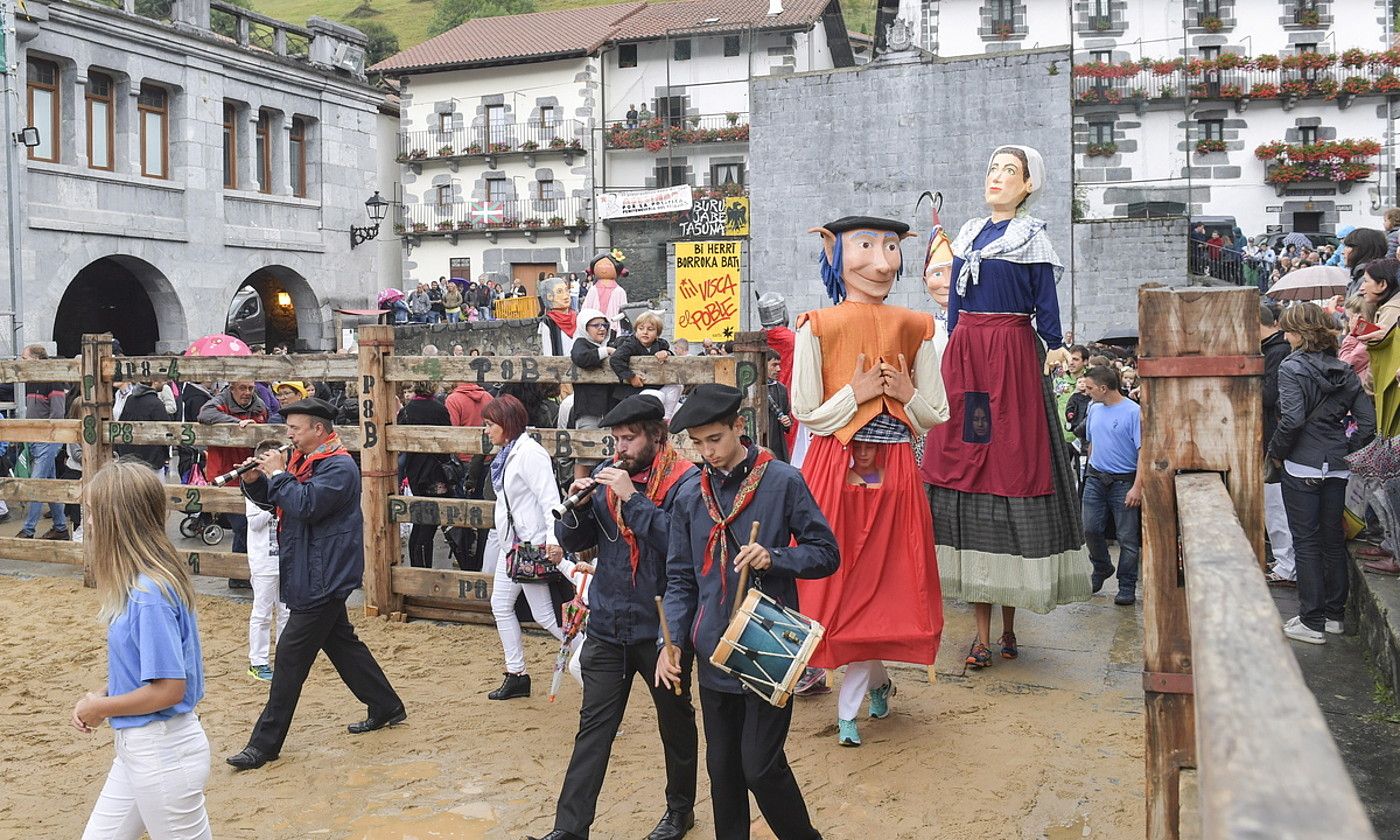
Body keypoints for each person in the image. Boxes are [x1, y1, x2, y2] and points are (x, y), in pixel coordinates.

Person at [922, 145, 1091, 671]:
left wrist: (1057, 345)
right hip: (968, 357)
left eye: (1008, 172)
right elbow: (954, 308)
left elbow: (1047, 310)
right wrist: (951, 354)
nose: (996, 177)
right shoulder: (968, 232)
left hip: (1012, 357)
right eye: (992, 168)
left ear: (1027, 186)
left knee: (1015, 459)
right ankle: (979, 633)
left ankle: (1011, 628)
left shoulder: (1033, 238)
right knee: (969, 453)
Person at [792, 215, 948, 745]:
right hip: (836, 464)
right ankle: (864, 692)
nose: (882, 262)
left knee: (891, 580)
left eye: (889, 248)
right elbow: (805, 410)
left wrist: (904, 394)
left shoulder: (915, 324)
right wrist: (855, 395)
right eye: (866, 247)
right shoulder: (817, 323)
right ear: (836, 251)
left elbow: (937, 412)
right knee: (841, 577)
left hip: (896, 465)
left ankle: (858, 699)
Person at [658, 384, 838, 840]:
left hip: (767, 644)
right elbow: (679, 579)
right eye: (697, 443)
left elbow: (826, 553)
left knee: (759, 768)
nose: (707, 452)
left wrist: (775, 557)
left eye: (714, 439)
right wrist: (673, 641)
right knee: (723, 774)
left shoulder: (782, 480)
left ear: (740, 426)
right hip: (712, 649)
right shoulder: (687, 495)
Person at [532, 394, 699, 840]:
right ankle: (570, 829)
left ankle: (680, 811)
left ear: (655, 435)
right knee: (594, 727)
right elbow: (576, 543)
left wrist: (634, 500)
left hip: (661, 628)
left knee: (675, 723)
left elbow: (684, 547)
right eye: (616, 438)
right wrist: (577, 510)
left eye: (629, 438)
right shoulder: (609, 479)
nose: (620, 447)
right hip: (608, 623)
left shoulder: (686, 481)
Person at [226, 398, 405, 771]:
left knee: (290, 658)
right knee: (343, 645)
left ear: (319, 430)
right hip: (310, 568)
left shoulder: (339, 466)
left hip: (324, 574)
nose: (288, 435)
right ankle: (386, 704)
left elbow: (306, 504)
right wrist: (255, 481)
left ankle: (264, 745)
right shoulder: (303, 460)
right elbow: (282, 502)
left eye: (295, 429)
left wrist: (276, 476)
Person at [74, 460, 210, 839]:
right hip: (142, 747)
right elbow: (142, 668)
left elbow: (169, 688)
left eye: (92, 514)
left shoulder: (147, 594)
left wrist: (99, 707)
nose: (89, 523)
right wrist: (105, 694)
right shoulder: (142, 583)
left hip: (161, 750)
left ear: (116, 519)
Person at [1269, 303, 1376, 644]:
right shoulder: (1344, 369)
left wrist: (1275, 454)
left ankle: (1311, 621)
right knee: (1332, 540)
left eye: (1288, 331)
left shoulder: (1291, 367)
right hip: (1337, 464)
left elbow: (1292, 419)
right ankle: (1334, 616)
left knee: (1306, 541)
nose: (1284, 336)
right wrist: (1348, 451)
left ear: (1300, 334)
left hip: (1302, 463)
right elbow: (1367, 423)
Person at [484, 394, 567, 700]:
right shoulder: (510, 453)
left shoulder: (530, 454)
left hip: (530, 547)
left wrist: (552, 541)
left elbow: (550, 500)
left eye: (491, 424)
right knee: (502, 606)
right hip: (515, 546)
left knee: (544, 615)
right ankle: (516, 673)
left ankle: (591, 647)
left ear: (506, 424)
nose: (487, 430)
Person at [1079, 366, 1143, 606]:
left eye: (1091, 387)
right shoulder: (1094, 409)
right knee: (1090, 528)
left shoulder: (1133, 412)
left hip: (1123, 481)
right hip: (1096, 477)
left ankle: (1126, 584)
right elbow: (1093, 441)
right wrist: (1089, 472)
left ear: (1104, 388)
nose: (1087, 391)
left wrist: (1137, 487)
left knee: (1127, 537)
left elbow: (1143, 452)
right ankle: (1102, 565)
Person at [245, 440, 290, 682]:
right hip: (263, 560)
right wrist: (276, 504)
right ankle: (258, 661)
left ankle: (285, 657)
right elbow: (253, 522)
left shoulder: (284, 483)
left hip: (284, 559)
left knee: (286, 612)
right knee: (262, 613)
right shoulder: (254, 486)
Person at [398, 382, 455, 569]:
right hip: (435, 471)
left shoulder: (407, 411)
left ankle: (418, 565)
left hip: (415, 471)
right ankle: (422, 568)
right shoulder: (440, 409)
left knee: (420, 519)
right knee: (429, 523)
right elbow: (448, 441)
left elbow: (400, 444)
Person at [1261, 303, 1297, 587]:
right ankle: (1285, 560)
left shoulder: (1277, 352)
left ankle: (1287, 565)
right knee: (1274, 504)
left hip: (1276, 438)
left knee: (1277, 505)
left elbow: (1268, 396)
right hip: (1275, 437)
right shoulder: (1275, 350)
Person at [18, 345, 69, 540]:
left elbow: (57, 413)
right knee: (48, 483)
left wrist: (50, 439)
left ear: (37, 360)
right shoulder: (31, 381)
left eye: (25, 358)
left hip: (47, 439)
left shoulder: (52, 380)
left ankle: (29, 529)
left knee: (36, 484)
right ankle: (61, 527)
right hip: (36, 438)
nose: (22, 362)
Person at [445, 378, 495, 570]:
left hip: (464, 460)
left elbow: (453, 433)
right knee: (486, 510)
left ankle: (466, 559)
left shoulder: (454, 400)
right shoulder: (488, 396)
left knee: (464, 511)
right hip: (488, 458)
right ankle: (483, 558)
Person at [570, 308, 617, 479]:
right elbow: (581, 358)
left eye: (604, 324)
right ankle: (580, 500)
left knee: (610, 458)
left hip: (610, 412)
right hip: (589, 410)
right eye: (595, 325)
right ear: (585, 327)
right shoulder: (581, 343)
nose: (601, 329)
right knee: (585, 458)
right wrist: (607, 352)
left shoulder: (610, 343)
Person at [610, 310, 671, 403]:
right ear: (636, 331)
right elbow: (616, 359)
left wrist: (666, 353)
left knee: (676, 387)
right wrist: (631, 377)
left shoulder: (661, 345)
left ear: (657, 334)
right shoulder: (630, 344)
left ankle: (667, 416)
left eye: (650, 329)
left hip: (652, 386)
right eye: (641, 328)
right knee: (659, 395)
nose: (645, 332)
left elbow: (674, 360)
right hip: (629, 392)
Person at [114, 379, 172, 475]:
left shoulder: (130, 400)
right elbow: (167, 433)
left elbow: (121, 427)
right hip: (151, 461)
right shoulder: (156, 404)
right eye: (163, 380)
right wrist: (164, 455)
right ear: (155, 381)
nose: (165, 383)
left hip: (129, 461)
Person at [583, 251, 630, 333]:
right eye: (599, 266)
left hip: (613, 325)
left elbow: (624, 310)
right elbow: (586, 307)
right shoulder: (593, 289)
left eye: (608, 265)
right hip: (594, 325)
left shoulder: (619, 291)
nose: (604, 269)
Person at [1343, 227, 1388, 299]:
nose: (1343, 252)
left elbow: (1360, 309)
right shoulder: (1359, 274)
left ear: (1362, 250)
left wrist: (1332, 310)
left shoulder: (1367, 278)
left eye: (1349, 246)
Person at [538, 276, 578, 356]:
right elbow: (548, 353)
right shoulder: (547, 322)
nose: (566, 295)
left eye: (566, 290)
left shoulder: (577, 318)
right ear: (550, 297)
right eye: (559, 292)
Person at [766, 350, 793, 462]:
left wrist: (787, 422)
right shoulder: (751, 389)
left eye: (779, 365)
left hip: (777, 445)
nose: (778, 369)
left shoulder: (781, 389)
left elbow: (787, 417)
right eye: (774, 365)